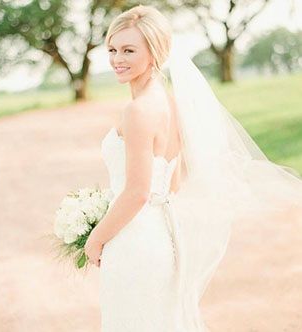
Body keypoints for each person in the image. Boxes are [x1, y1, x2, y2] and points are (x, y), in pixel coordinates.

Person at [84, 5, 302, 331]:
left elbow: (138, 192)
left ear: (155, 52)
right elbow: (173, 182)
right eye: (113, 49)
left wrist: (96, 238)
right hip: (163, 236)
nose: (117, 59)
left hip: (133, 242)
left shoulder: (138, 111)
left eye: (129, 50)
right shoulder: (172, 105)